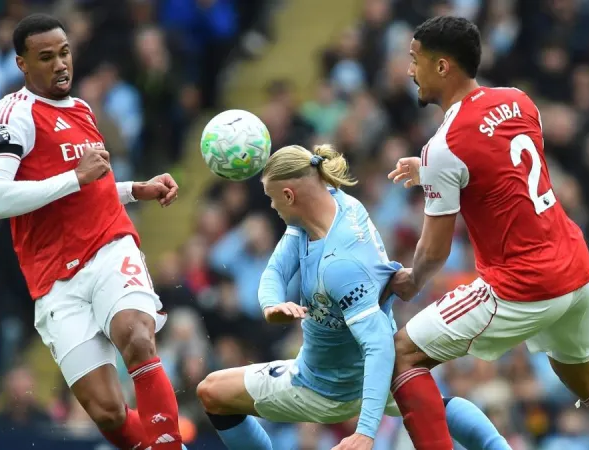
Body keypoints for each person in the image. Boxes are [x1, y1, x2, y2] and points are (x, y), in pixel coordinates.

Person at [386, 16, 589, 450]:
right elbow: (503, 165)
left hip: (522, 284)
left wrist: (411, 281)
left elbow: (434, 253)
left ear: (443, 67)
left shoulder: (444, 145)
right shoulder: (518, 100)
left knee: (403, 354)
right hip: (573, 265)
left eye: (414, 59)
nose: (408, 70)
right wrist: (430, 172)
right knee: (588, 381)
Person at [196, 144, 510, 450]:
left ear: (289, 196)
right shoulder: (335, 204)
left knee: (212, 392)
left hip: (326, 386)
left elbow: (377, 346)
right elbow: (276, 271)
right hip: (375, 373)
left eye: (272, 199)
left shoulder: (339, 264)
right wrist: (272, 305)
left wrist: (365, 432)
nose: (272, 207)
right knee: (436, 406)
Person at [0, 14, 185, 450]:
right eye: (46, 57)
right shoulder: (16, 113)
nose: (61, 64)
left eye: (64, 53)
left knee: (136, 335)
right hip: (54, 278)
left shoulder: (82, 110)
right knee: (107, 412)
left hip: (107, 247)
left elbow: (91, 189)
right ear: (22, 64)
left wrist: (136, 189)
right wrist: (75, 179)